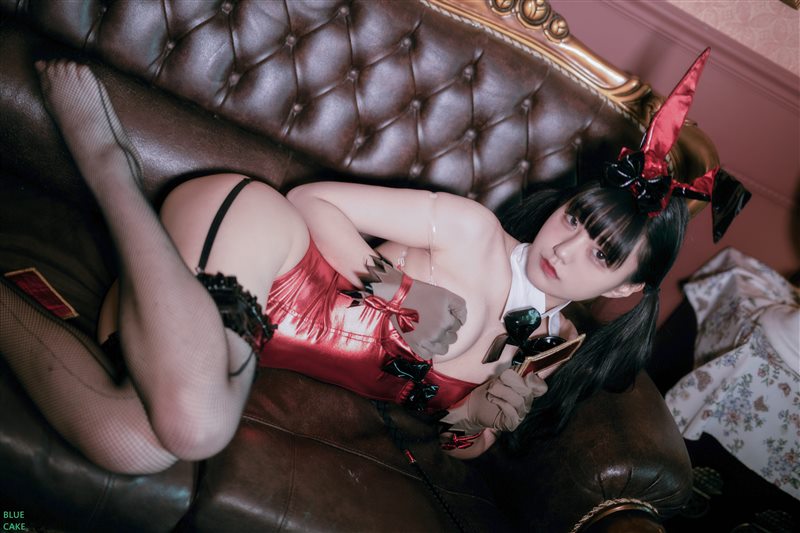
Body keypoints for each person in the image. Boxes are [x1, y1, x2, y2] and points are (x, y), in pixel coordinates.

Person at [0, 50, 737, 474]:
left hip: (203, 329)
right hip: (259, 244)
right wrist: (398, 288)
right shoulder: (473, 230)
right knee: (194, 428)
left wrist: (477, 419)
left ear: (626, 284)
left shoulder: (546, 351)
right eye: (576, 217)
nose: (565, 247)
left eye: (600, 253)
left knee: (135, 445)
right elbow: (310, 200)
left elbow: (457, 438)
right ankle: (110, 170)